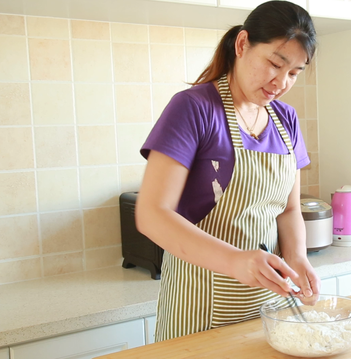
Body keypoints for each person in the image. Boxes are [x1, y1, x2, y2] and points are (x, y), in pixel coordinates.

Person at [135, 0, 320, 342]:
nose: (281, 82)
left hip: (270, 310)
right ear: (242, 45)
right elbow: (151, 214)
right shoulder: (194, 109)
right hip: (199, 307)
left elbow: (289, 209)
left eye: (294, 72)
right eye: (275, 64)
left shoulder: (286, 121)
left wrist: (297, 259)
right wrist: (237, 262)